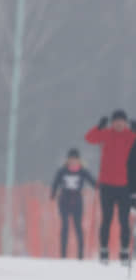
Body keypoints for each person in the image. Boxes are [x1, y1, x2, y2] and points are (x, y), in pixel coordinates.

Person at [85, 109, 135, 264]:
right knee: (106, 219)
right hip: (107, 184)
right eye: (116, 121)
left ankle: (124, 251)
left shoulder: (131, 136)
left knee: (124, 220)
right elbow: (90, 138)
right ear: (112, 123)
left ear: (125, 123)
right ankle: (104, 250)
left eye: (121, 121)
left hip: (125, 186)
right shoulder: (106, 134)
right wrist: (98, 127)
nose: (119, 124)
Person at [50, 148, 96, 259]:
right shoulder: (62, 170)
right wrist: (53, 193)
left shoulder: (83, 171)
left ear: (79, 160)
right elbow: (55, 182)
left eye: (75, 159)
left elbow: (93, 182)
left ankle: (80, 254)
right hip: (64, 200)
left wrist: (100, 187)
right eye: (71, 159)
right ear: (68, 159)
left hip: (77, 201)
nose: (73, 161)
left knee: (78, 227)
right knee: (65, 226)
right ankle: (63, 254)